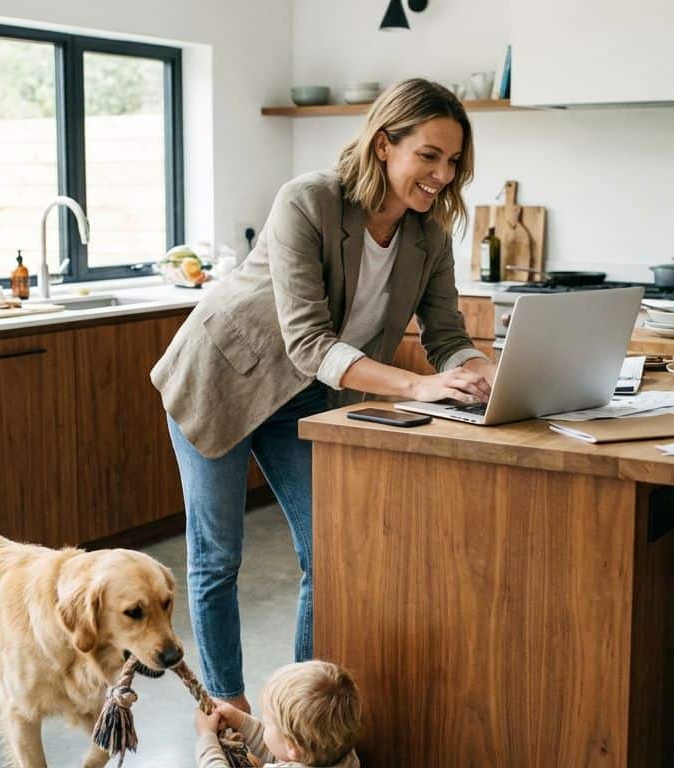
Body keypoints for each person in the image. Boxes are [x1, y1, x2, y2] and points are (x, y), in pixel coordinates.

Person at [151, 78, 497, 710]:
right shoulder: (309, 200)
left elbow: (447, 335)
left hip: (306, 393)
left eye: (453, 162)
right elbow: (310, 341)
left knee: (330, 551)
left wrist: (488, 373)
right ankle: (227, 709)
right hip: (223, 377)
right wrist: (419, 384)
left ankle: (299, 709)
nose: (443, 175)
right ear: (384, 144)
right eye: (429, 156)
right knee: (218, 555)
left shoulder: (430, 234)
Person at [194, 660, 362, 768]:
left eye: (267, 724)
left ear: (292, 748)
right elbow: (281, 750)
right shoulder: (342, 754)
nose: (263, 725)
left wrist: (207, 737)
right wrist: (241, 721)